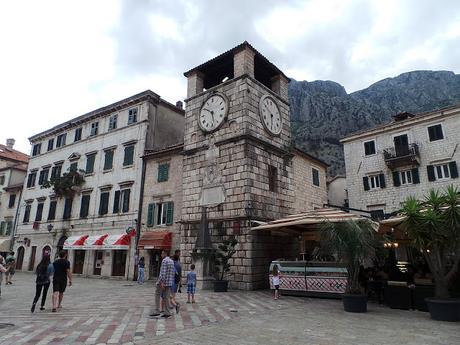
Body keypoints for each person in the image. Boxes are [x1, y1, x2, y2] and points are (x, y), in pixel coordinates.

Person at [150, 249, 174, 318]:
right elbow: (172, 273)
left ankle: (157, 310)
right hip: (169, 282)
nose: (161, 255)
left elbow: (163, 273)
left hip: (162, 282)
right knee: (166, 297)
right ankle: (167, 312)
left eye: (162, 254)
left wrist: (162, 282)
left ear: (164, 253)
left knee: (157, 294)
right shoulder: (171, 261)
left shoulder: (164, 261)